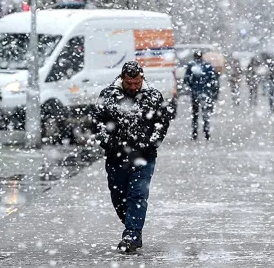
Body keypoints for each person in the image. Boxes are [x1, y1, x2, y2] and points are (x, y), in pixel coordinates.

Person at [93, 61, 171, 253]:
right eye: (129, 83)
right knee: (119, 197)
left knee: (137, 194)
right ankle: (131, 225)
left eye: (137, 83)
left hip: (144, 157)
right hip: (116, 156)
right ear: (122, 79)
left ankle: (132, 235)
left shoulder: (153, 96)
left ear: (142, 78)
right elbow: (98, 122)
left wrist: (150, 144)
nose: (133, 87)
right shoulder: (108, 96)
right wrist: (107, 142)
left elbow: (161, 124)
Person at [184, 51, 219, 140]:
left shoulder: (191, 66)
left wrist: (191, 87)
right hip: (206, 93)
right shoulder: (208, 66)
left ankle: (195, 132)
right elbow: (214, 80)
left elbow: (187, 79)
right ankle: (206, 132)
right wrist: (213, 92)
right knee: (205, 113)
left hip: (195, 93)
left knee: (195, 114)